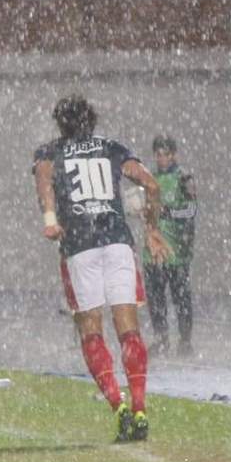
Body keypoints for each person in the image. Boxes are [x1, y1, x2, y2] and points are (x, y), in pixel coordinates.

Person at [34, 96, 169, 442]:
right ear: (91, 120)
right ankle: (140, 407)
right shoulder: (112, 148)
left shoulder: (51, 152)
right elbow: (152, 185)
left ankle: (118, 405)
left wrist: (50, 219)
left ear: (60, 123)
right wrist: (152, 230)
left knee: (91, 331)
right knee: (129, 331)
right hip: (118, 242)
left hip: (80, 246)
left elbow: (44, 182)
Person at [140, 135, 197, 357]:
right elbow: (146, 208)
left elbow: (191, 210)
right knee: (156, 297)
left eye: (165, 154)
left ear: (173, 155)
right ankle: (161, 338)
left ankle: (185, 340)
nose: (162, 158)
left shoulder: (183, 178)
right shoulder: (150, 179)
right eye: (158, 154)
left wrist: (169, 212)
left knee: (181, 297)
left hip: (177, 249)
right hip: (154, 249)